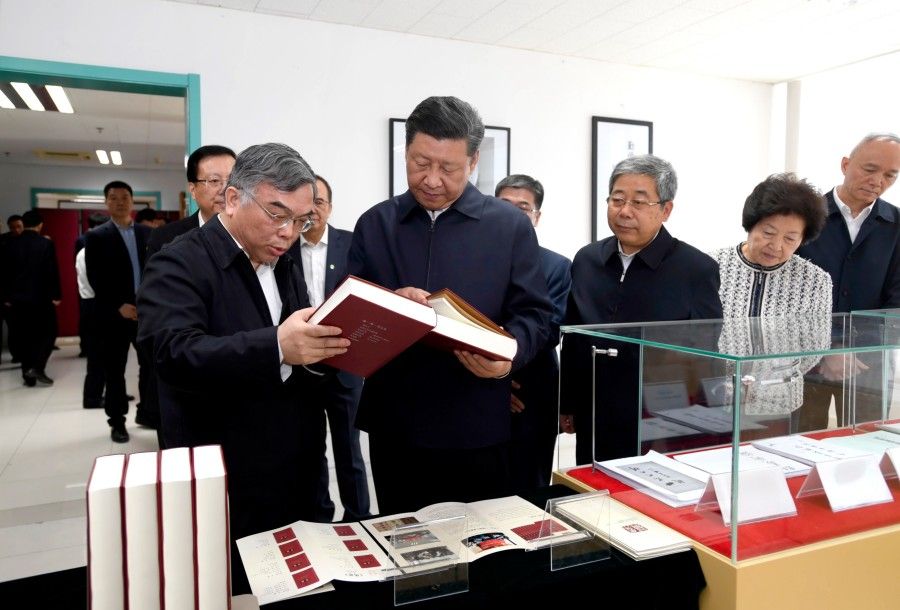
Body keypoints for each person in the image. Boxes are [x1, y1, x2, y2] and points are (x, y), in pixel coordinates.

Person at [136, 142, 350, 594]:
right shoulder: (178, 262)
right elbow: (172, 354)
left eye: (301, 220)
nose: (289, 232)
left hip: (296, 466)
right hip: (228, 474)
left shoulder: (282, 259)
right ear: (232, 199)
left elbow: (296, 349)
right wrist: (276, 346)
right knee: (234, 587)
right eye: (277, 214)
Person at [349, 96, 552, 514]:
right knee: (401, 540)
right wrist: (390, 308)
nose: (432, 180)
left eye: (448, 168)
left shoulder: (509, 227)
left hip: (477, 423)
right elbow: (349, 316)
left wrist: (508, 356)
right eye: (420, 163)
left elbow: (537, 316)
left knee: (481, 540)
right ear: (405, 151)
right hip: (396, 426)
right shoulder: (375, 224)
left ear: (473, 161)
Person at [560, 154, 722, 464]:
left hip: (661, 417)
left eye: (638, 202)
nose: (624, 211)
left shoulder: (695, 269)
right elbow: (574, 338)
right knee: (593, 485)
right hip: (596, 410)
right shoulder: (587, 260)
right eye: (617, 199)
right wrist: (568, 402)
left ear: (665, 210)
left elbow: (705, 352)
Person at [795, 133, 900, 430]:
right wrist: (828, 349)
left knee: (864, 443)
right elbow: (787, 292)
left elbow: (897, 302)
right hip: (805, 359)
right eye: (870, 169)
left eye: (890, 175)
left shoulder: (896, 225)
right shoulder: (803, 216)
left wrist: (852, 350)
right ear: (845, 164)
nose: (877, 181)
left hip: (868, 362)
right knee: (799, 442)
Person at [712, 173, 832, 420]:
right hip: (714, 396)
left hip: (779, 402)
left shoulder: (815, 281)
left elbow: (814, 348)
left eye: (790, 239)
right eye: (768, 232)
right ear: (751, 224)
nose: (777, 246)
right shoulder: (711, 266)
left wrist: (777, 378)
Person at [287, 174, 370, 521]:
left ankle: (358, 517)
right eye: (308, 204)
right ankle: (319, 516)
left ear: (330, 207)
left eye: (320, 203)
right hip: (300, 366)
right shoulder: (283, 246)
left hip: (344, 364)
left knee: (349, 450)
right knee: (308, 449)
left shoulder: (351, 244)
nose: (313, 210)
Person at [495, 174, 572, 490]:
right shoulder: (470, 259)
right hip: (477, 386)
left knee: (530, 485)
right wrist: (493, 383)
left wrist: (501, 370)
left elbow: (548, 330)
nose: (513, 214)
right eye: (504, 205)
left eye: (523, 208)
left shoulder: (557, 266)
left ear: (536, 217)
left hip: (532, 390)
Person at [84, 181, 152, 443]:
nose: (120, 202)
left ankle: (148, 412)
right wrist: (117, 306)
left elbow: (156, 271)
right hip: (114, 316)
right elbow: (95, 277)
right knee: (114, 370)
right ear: (106, 202)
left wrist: (149, 303)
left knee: (151, 366)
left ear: (132, 201)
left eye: (125, 197)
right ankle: (117, 421)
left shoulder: (147, 234)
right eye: (113, 198)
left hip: (146, 312)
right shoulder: (96, 236)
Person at [0, 210, 61, 386]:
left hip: (17, 299)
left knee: (24, 336)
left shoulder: (9, 244)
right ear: (40, 225)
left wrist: (5, 296)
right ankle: (38, 367)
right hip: (41, 297)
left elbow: (3, 273)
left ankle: (28, 377)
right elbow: (51, 270)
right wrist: (56, 294)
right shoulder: (45, 243)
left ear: (24, 224)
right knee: (49, 332)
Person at [147, 144, 236, 258]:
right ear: (193, 190)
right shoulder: (165, 238)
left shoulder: (252, 233)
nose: (225, 189)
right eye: (214, 180)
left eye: (232, 180)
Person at [76, 213, 110, 407]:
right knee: (98, 355)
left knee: (105, 355)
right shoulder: (91, 251)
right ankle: (92, 397)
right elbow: (97, 282)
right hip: (95, 304)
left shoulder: (84, 250)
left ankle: (106, 392)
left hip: (91, 303)